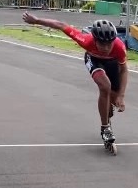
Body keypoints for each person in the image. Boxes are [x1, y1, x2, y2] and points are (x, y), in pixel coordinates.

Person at [22, 12, 129, 145]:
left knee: (113, 97)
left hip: (112, 63)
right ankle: (105, 128)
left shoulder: (119, 47)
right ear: (94, 40)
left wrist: (121, 96)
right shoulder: (85, 40)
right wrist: (37, 20)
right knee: (105, 86)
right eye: (102, 44)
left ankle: (108, 107)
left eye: (109, 44)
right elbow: (61, 25)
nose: (106, 48)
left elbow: (124, 71)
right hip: (94, 59)